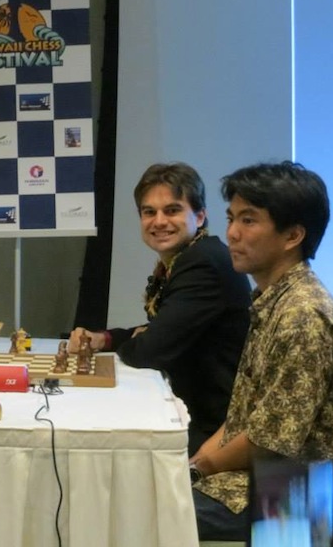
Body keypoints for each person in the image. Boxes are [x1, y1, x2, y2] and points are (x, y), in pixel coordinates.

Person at [190, 161, 333, 541]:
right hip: (264, 479)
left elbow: (270, 442)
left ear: (292, 236)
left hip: (298, 496)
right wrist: (198, 463)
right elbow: (246, 417)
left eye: (249, 220)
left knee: (145, 512)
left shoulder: (302, 314)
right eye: (232, 218)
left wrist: (197, 468)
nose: (233, 233)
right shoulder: (272, 300)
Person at [69, 163, 251, 454]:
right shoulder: (185, 258)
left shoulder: (202, 263)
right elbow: (160, 331)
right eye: (149, 212)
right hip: (192, 412)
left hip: (212, 432)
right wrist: (106, 338)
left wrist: (143, 338)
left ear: (200, 216)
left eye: (172, 210)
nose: (159, 221)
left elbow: (149, 350)